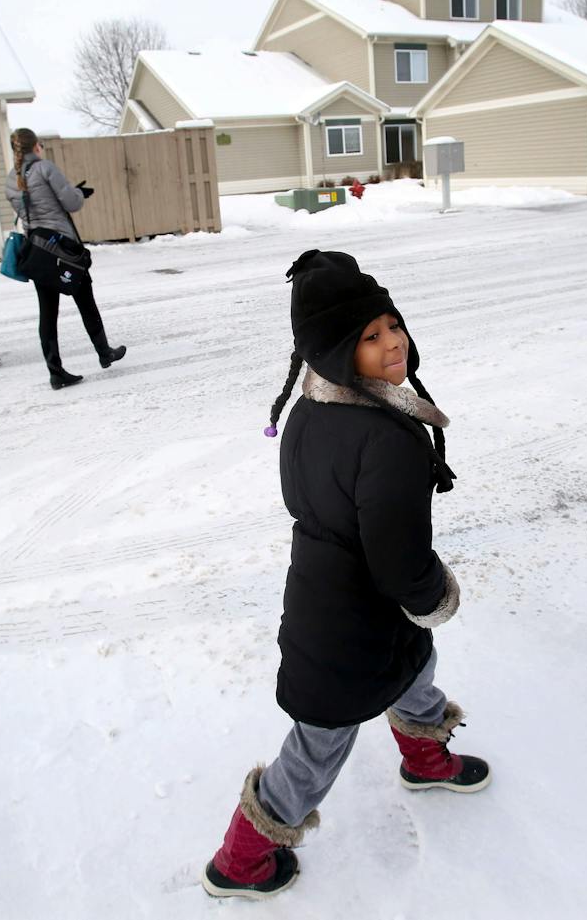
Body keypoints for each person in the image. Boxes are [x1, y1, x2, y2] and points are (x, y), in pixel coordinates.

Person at [202, 249, 488, 899]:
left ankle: (423, 757)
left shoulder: (312, 409)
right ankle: (241, 860)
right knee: (317, 748)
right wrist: (433, 594)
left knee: (414, 666)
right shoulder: (385, 438)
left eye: (393, 324)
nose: (394, 343)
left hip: (335, 598)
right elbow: (399, 558)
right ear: (337, 350)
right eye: (371, 336)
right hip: (347, 630)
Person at [5, 128, 126, 390]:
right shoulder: (45, 168)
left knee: (47, 312)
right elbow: (71, 203)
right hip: (63, 248)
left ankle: (55, 371)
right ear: (35, 147)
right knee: (85, 299)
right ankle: (105, 353)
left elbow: (33, 210)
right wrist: (80, 193)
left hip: (38, 251)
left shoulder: (10, 180)